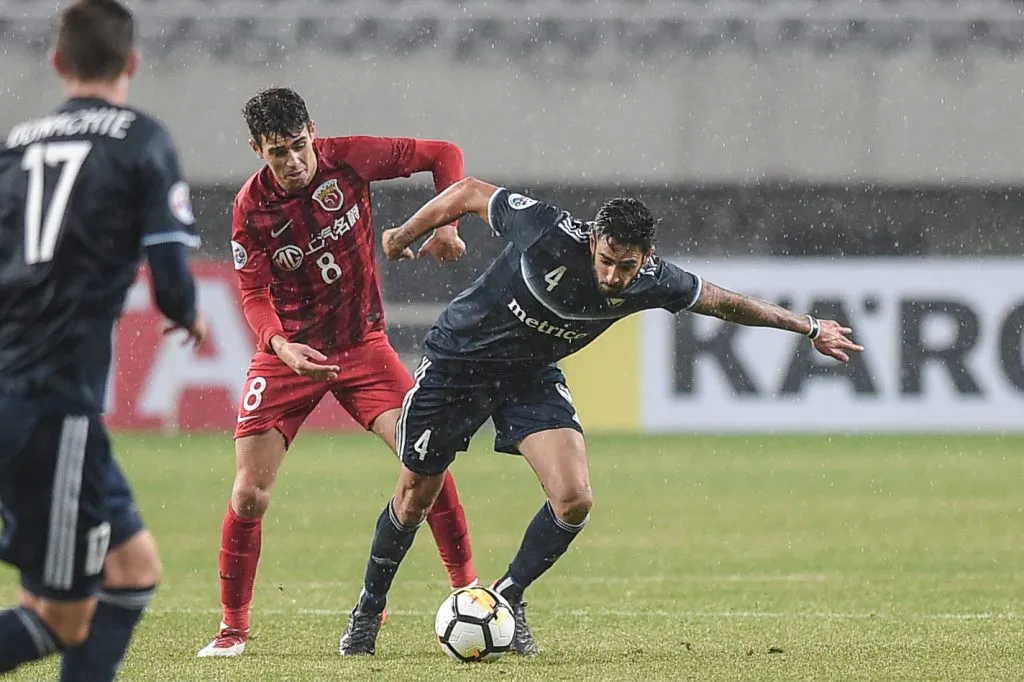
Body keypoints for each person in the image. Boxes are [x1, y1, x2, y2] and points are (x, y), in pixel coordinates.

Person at [337, 178, 865, 656]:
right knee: (414, 499)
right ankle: (368, 609)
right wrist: (405, 234)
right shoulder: (547, 230)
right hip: (459, 363)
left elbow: (726, 303)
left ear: (647, 257)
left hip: (530, 375)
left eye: (627, 266)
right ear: (594, 241)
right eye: (607, 260)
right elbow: (471, 192)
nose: (613, 276)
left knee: (574, 499)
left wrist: (809, 327)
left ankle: (508, 596)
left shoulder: (654, 279)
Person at [198, 87, 478, 657]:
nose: (294, 161)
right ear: (258, 150)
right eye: (278, 153)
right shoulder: (250, 208)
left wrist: (446, 224)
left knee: (423, 458)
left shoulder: (350, 157)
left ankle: (468, 591)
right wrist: (279, 345)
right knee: (250, 492)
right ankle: (232, 631)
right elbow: (252, 292)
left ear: (312, 131)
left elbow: (443, 153)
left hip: (363, 346)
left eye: (299, 146)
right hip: (289, 355)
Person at [0, 0, 207, 679]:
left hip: (27, 394)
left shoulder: (15, 145)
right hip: (50, 404)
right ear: (133, 63)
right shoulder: (142, 140)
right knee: (62, 617)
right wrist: (188, 314)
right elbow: (173, 286)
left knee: (131, 568)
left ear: (58, 63)